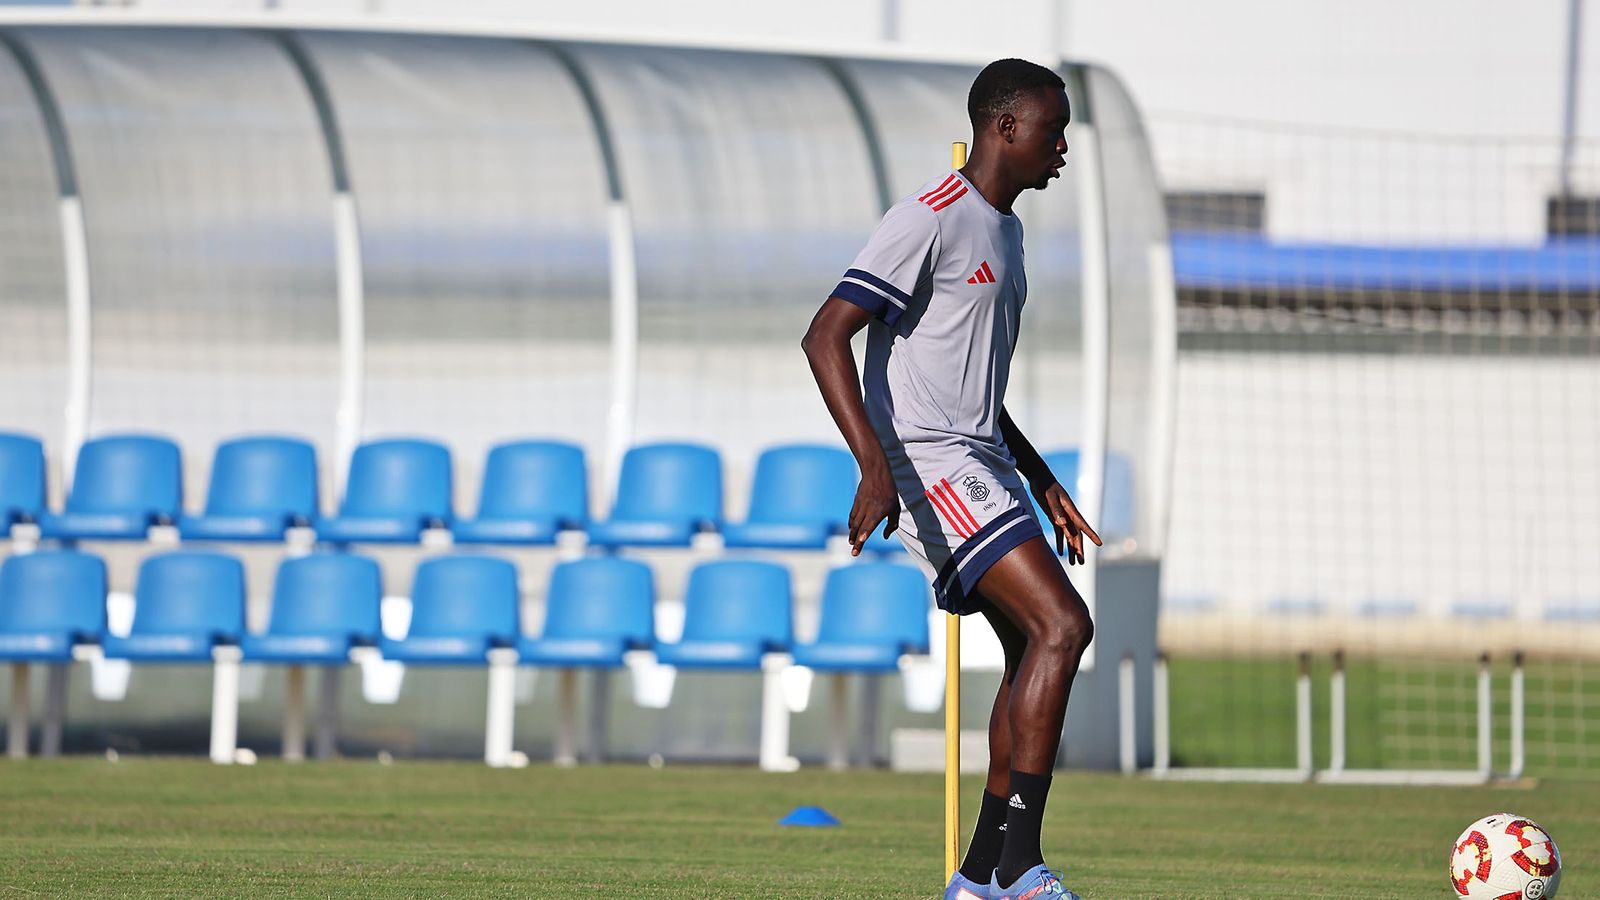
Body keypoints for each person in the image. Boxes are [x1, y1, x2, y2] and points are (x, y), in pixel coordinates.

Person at [801, 58, 1101, 900]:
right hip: (930, 462)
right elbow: (826, 337)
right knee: (1063, 627)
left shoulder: (1006, 232)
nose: (1064, 146)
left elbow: (974, 387)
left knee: (1028, 654)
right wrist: (873, 469)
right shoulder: (927, 217)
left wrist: (1040, 476)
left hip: (985, 459)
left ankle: (977, 878)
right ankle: (1020, 865)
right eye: (1054, 129)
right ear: (1006, 128)